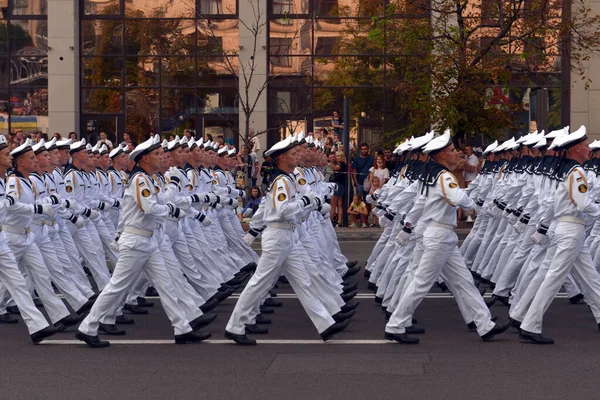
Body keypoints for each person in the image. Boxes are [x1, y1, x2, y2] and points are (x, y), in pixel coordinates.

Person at [385, 129, 508, 344]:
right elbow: (459, 198)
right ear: (441, 155)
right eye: (451, 150)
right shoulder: (443, 176)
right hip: (439, 235)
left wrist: (408, 227)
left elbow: (419, 204)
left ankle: (485, 325)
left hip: (438, 234)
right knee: (422, 282)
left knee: (463, 281)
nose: (456, 153)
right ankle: (396, 324)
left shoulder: (430, 174)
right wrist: (472, 202)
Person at [224, 135, 350, 346]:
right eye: (293, 154)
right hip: (278, 235)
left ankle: (325, 324)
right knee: (259, 282)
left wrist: (310, 202)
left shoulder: (288, 178)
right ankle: (235, 326)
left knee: (303, 281)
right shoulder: (281, 180)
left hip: (286, 235)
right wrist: (306, 201)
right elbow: (282, 210)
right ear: (282, 158)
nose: (296, 156)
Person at [330, 151, 347, 227]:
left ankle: (330, 220)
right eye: (336, 156)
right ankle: (339, 221)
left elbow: (336, 168)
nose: (337, 158)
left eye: (339, 156)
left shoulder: (341, 164)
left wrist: (328, 163)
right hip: (341, 185)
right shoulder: (341, 164)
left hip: (338, 185)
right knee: (339, 204)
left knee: (333, 204)